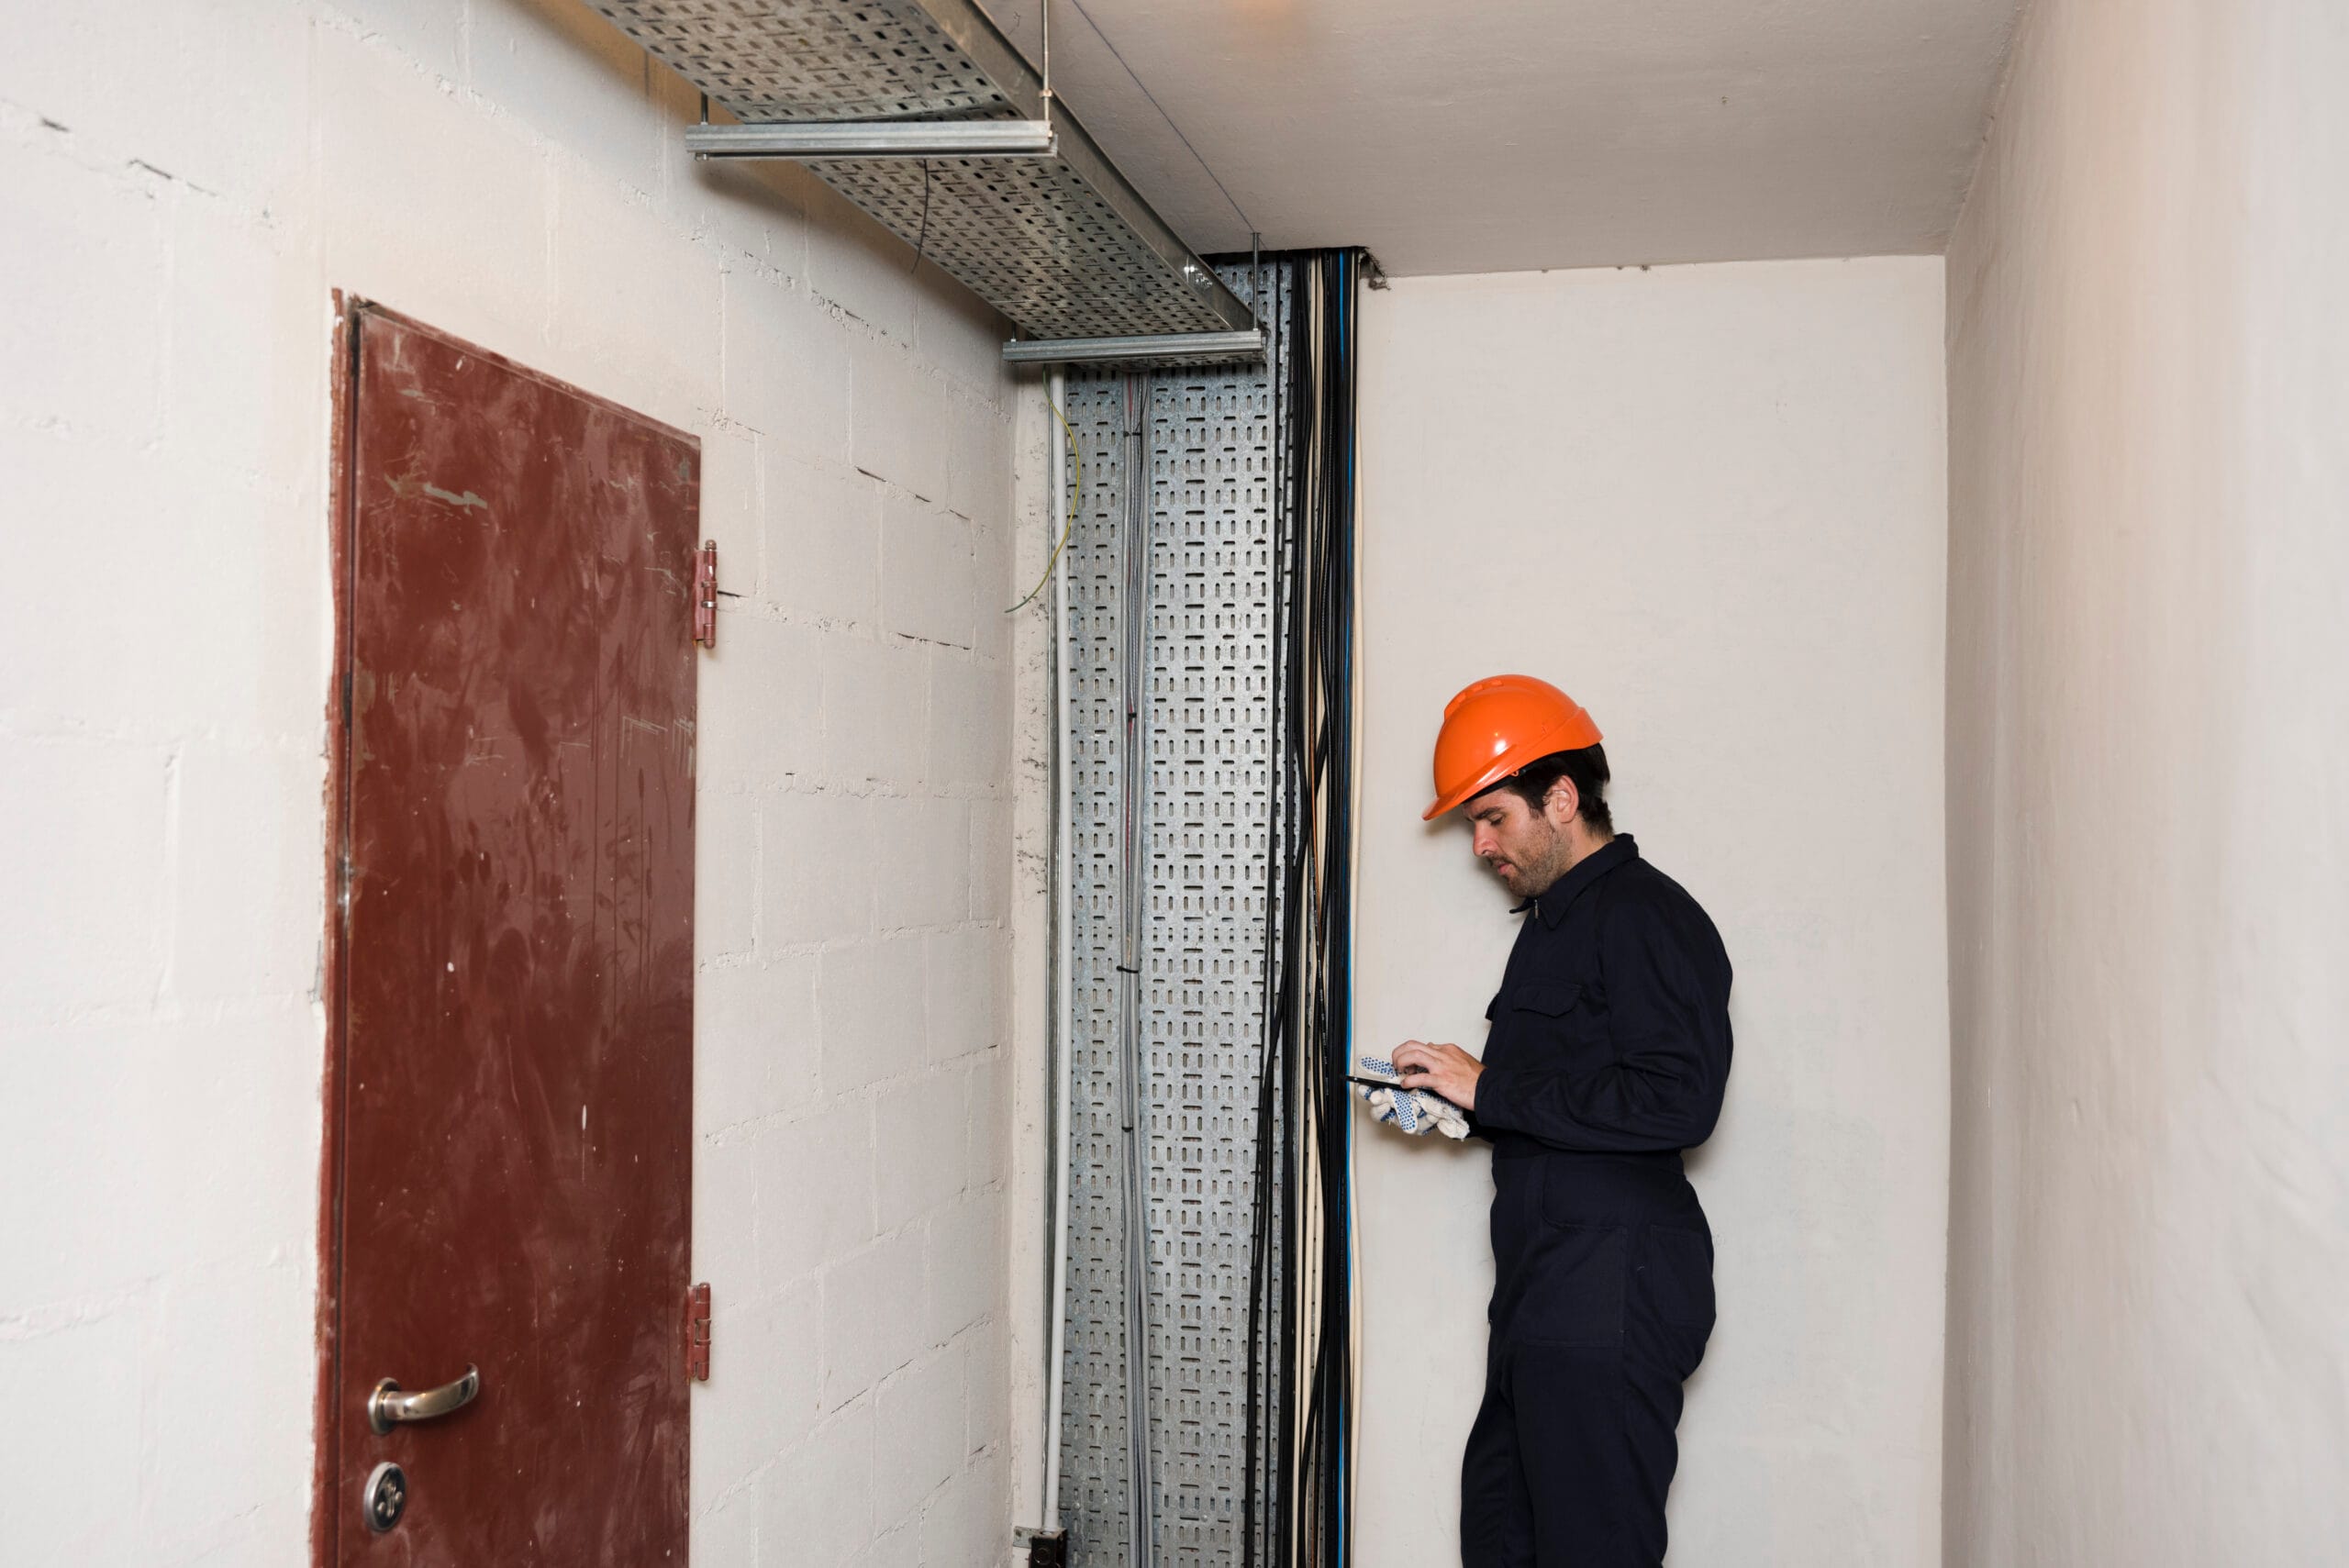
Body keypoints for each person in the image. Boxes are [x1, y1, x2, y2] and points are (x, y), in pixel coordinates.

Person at [1391, 674, 1731, 1568]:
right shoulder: (1550, 925)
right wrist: (1461, 1104)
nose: (1481, 843)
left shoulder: (1648, 916)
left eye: (1494, 816)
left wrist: (1492, 1090)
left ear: (1563, 796)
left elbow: (1679, 1099)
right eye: (1472, 822)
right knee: (1501, 1538)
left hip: (1608, 1301)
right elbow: (1571, 1098)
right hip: (1540, 1304)